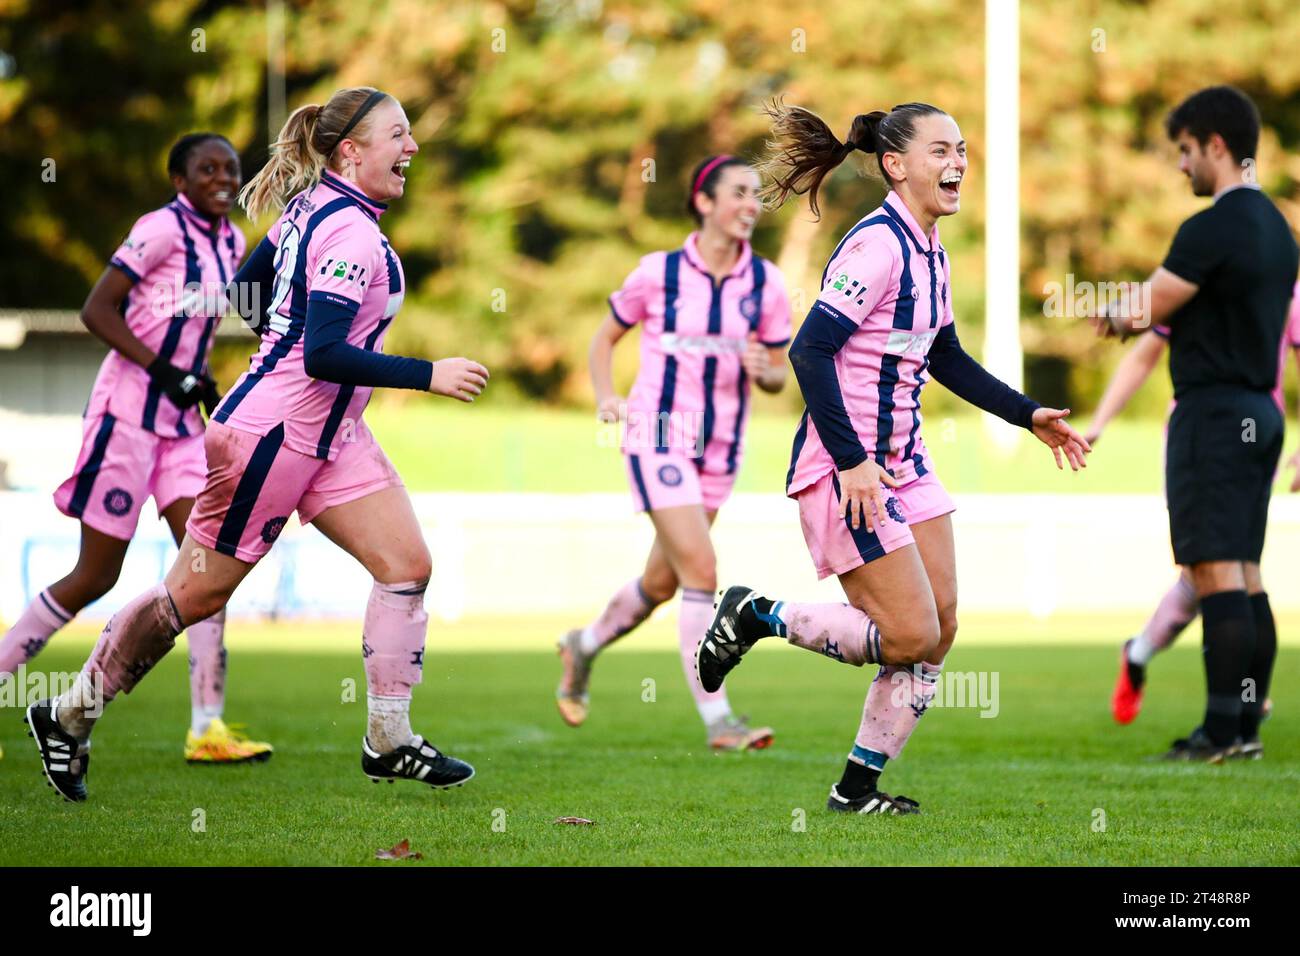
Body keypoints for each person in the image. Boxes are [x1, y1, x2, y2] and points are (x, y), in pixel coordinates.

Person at [24, 87, 490, 802]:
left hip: (330, 437)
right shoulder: (350, 231)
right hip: (273, 438)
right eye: (399, 135)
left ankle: (389, 738)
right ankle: (68, 714)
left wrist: (278, 336)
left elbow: (247, 293)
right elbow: (324, 354)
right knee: (193, 596)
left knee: (405, 566)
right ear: (350, 151)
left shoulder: (318, 209)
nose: (413, 148)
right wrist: (430, 373)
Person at [695, 101, 1090, 814]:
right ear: (896, 164)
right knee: (909, 634)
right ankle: (754, 614)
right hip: (848, 466)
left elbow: (945, 356)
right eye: (941, 151)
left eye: (962, 149)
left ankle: (857, 789)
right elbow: (808, 351)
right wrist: (851, 460)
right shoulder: (876, 246)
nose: (958, 163)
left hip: (905, 461)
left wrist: (1029, 415)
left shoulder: (930, 248)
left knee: (940, 627)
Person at [0, 133, 272, 765]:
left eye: (230, 169)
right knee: (97, 574)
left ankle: (208, 728)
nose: (223, 178)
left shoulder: (231, 241)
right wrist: (162, 369)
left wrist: (197, 376)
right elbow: (98, 310)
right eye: (207, 169)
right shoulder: (158, 229)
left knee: (205, 568)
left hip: (179, 429)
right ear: (180, 180)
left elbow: (189, 327)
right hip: (124, 419)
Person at [1089, 85, 1298, 762]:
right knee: (1246, 572)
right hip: (1263, 415)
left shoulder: (1212, 227)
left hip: (1212, 416)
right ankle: (1245, 730)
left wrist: (1114, 313)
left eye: (1184, 151)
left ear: (1215, 145)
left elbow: (1150, 306)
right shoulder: (1278, 229)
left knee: (1212, 573)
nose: (1181, 166)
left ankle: (1219, 731)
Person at [556, 156, 792, 751]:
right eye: (738, 192)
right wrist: (607, 396)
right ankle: (720, 722)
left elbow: (778, 375)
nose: (751, 205)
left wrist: (764, 370)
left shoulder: (764, 283)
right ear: (704, 201)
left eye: (756, 195)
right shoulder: (656, 273)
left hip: (721, 449)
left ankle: (582, 645)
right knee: (703, 571)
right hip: (657, 433)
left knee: (661, 584)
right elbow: (604, 337)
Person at [1088, 284, 1299, 729]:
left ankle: (1219, 704)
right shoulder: (1195, 277)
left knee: (1229, 571)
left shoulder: (1281, 283)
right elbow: (1144, 352)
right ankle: (1239, 710)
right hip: (1203, 435)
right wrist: (1100, 422)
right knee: (1220, 572)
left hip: (1253, 434)